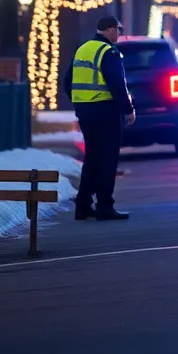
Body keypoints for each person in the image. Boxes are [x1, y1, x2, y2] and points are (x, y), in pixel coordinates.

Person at [69, 15, 134, 221]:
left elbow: (66, 81)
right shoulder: (109, 52)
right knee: (107, 159)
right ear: (110, 29)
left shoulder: (83, 49)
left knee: (93, 158)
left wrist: (79, 102)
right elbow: (117, 84)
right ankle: (105, 206)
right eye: (119, 30)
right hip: (106, 111)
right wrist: (128, 109)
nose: (119, 34)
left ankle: (83, 205)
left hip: (85, 111)